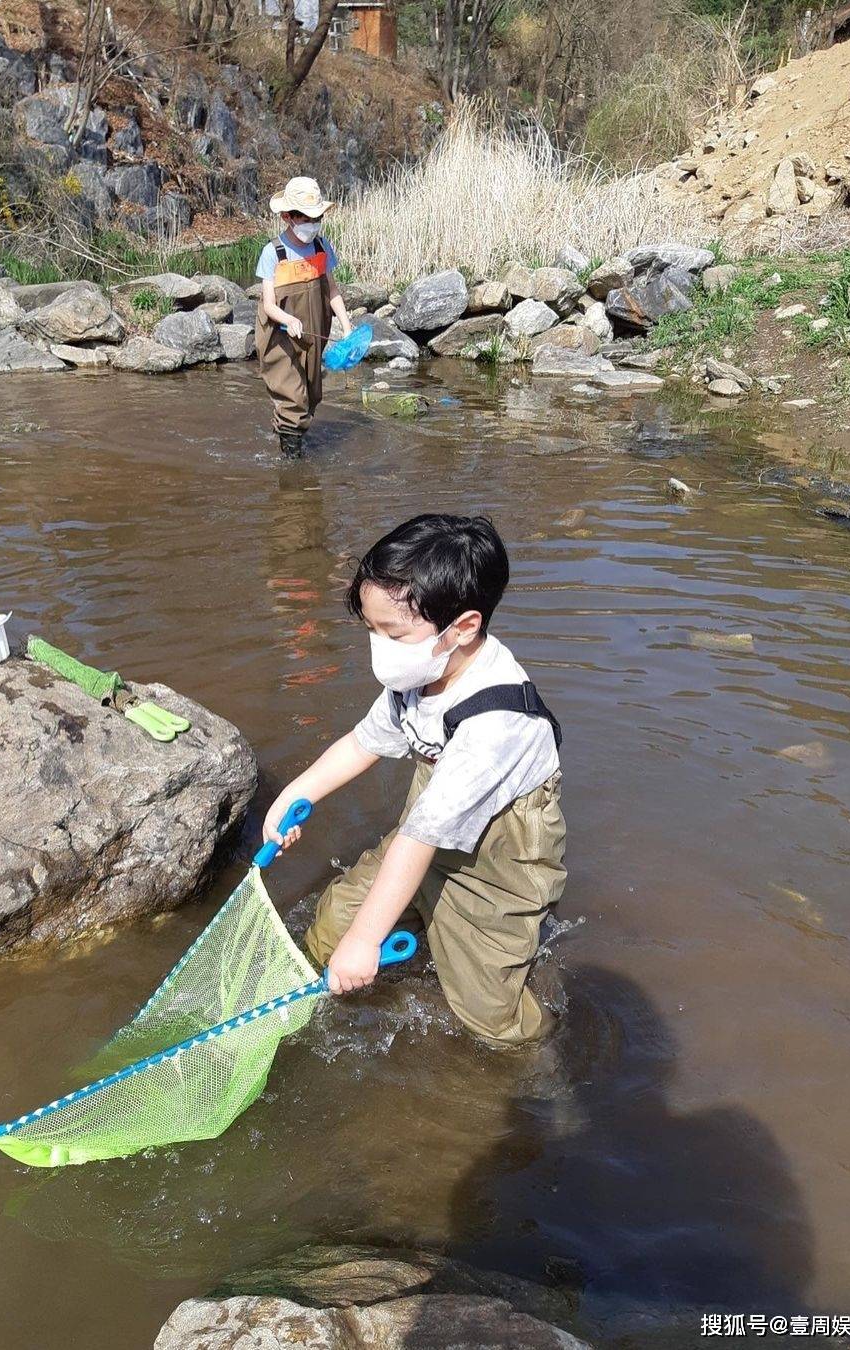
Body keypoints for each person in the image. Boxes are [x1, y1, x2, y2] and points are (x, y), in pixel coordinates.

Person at [262, 514, 567, 1045]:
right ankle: (418, 915)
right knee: (332, 928)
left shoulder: (496, 724)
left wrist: (366, 941)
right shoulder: (420, 674)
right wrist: (296, 793)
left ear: (464, 628)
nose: (380, 647)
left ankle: (544, 1045)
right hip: (426, 828)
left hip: (498, 854)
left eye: (394, 633)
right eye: (372, 630)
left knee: (488, 1015)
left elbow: (421, 837)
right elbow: (362, 744)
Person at [255, 176, 351, 459]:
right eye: (307, 218)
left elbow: (332, 291)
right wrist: (288, 319)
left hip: (313, 334)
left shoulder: (321, 247)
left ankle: (288, 435)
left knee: (310, 396)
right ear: (288, 217)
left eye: (317, 217)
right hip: (280, 337)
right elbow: (269, 305)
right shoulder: (272, 253)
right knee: (293, 400)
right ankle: (293, 465)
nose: (313, 223)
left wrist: (346, 326)